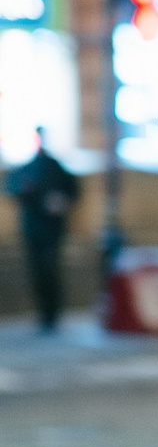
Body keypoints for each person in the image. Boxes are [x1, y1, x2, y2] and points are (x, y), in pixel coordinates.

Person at [7, 132, 79, 331]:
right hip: (32, 228)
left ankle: (52, 313)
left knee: (50, 268)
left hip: (51, 229)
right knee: (37, 270)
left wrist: (60, 201)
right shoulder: (26, 168)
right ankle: (44, 313)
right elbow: (12, 189)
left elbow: (73, 190)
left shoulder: (55, 168)